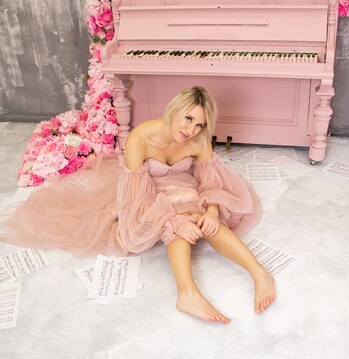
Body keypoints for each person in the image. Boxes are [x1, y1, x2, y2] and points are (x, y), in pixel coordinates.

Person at [1, 86, 275, 323]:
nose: (190, 130)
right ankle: (187, 294)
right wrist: (169, 220)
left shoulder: (198, 140)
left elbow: (211, 183)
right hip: (147, 190)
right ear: (174, 110)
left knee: (201, 214)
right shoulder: (141, 138)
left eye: (199, 124)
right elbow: (137, 195)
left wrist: (213, 211)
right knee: (178, 220)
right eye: (188, 118)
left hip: (183, 187)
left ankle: (259, 273)